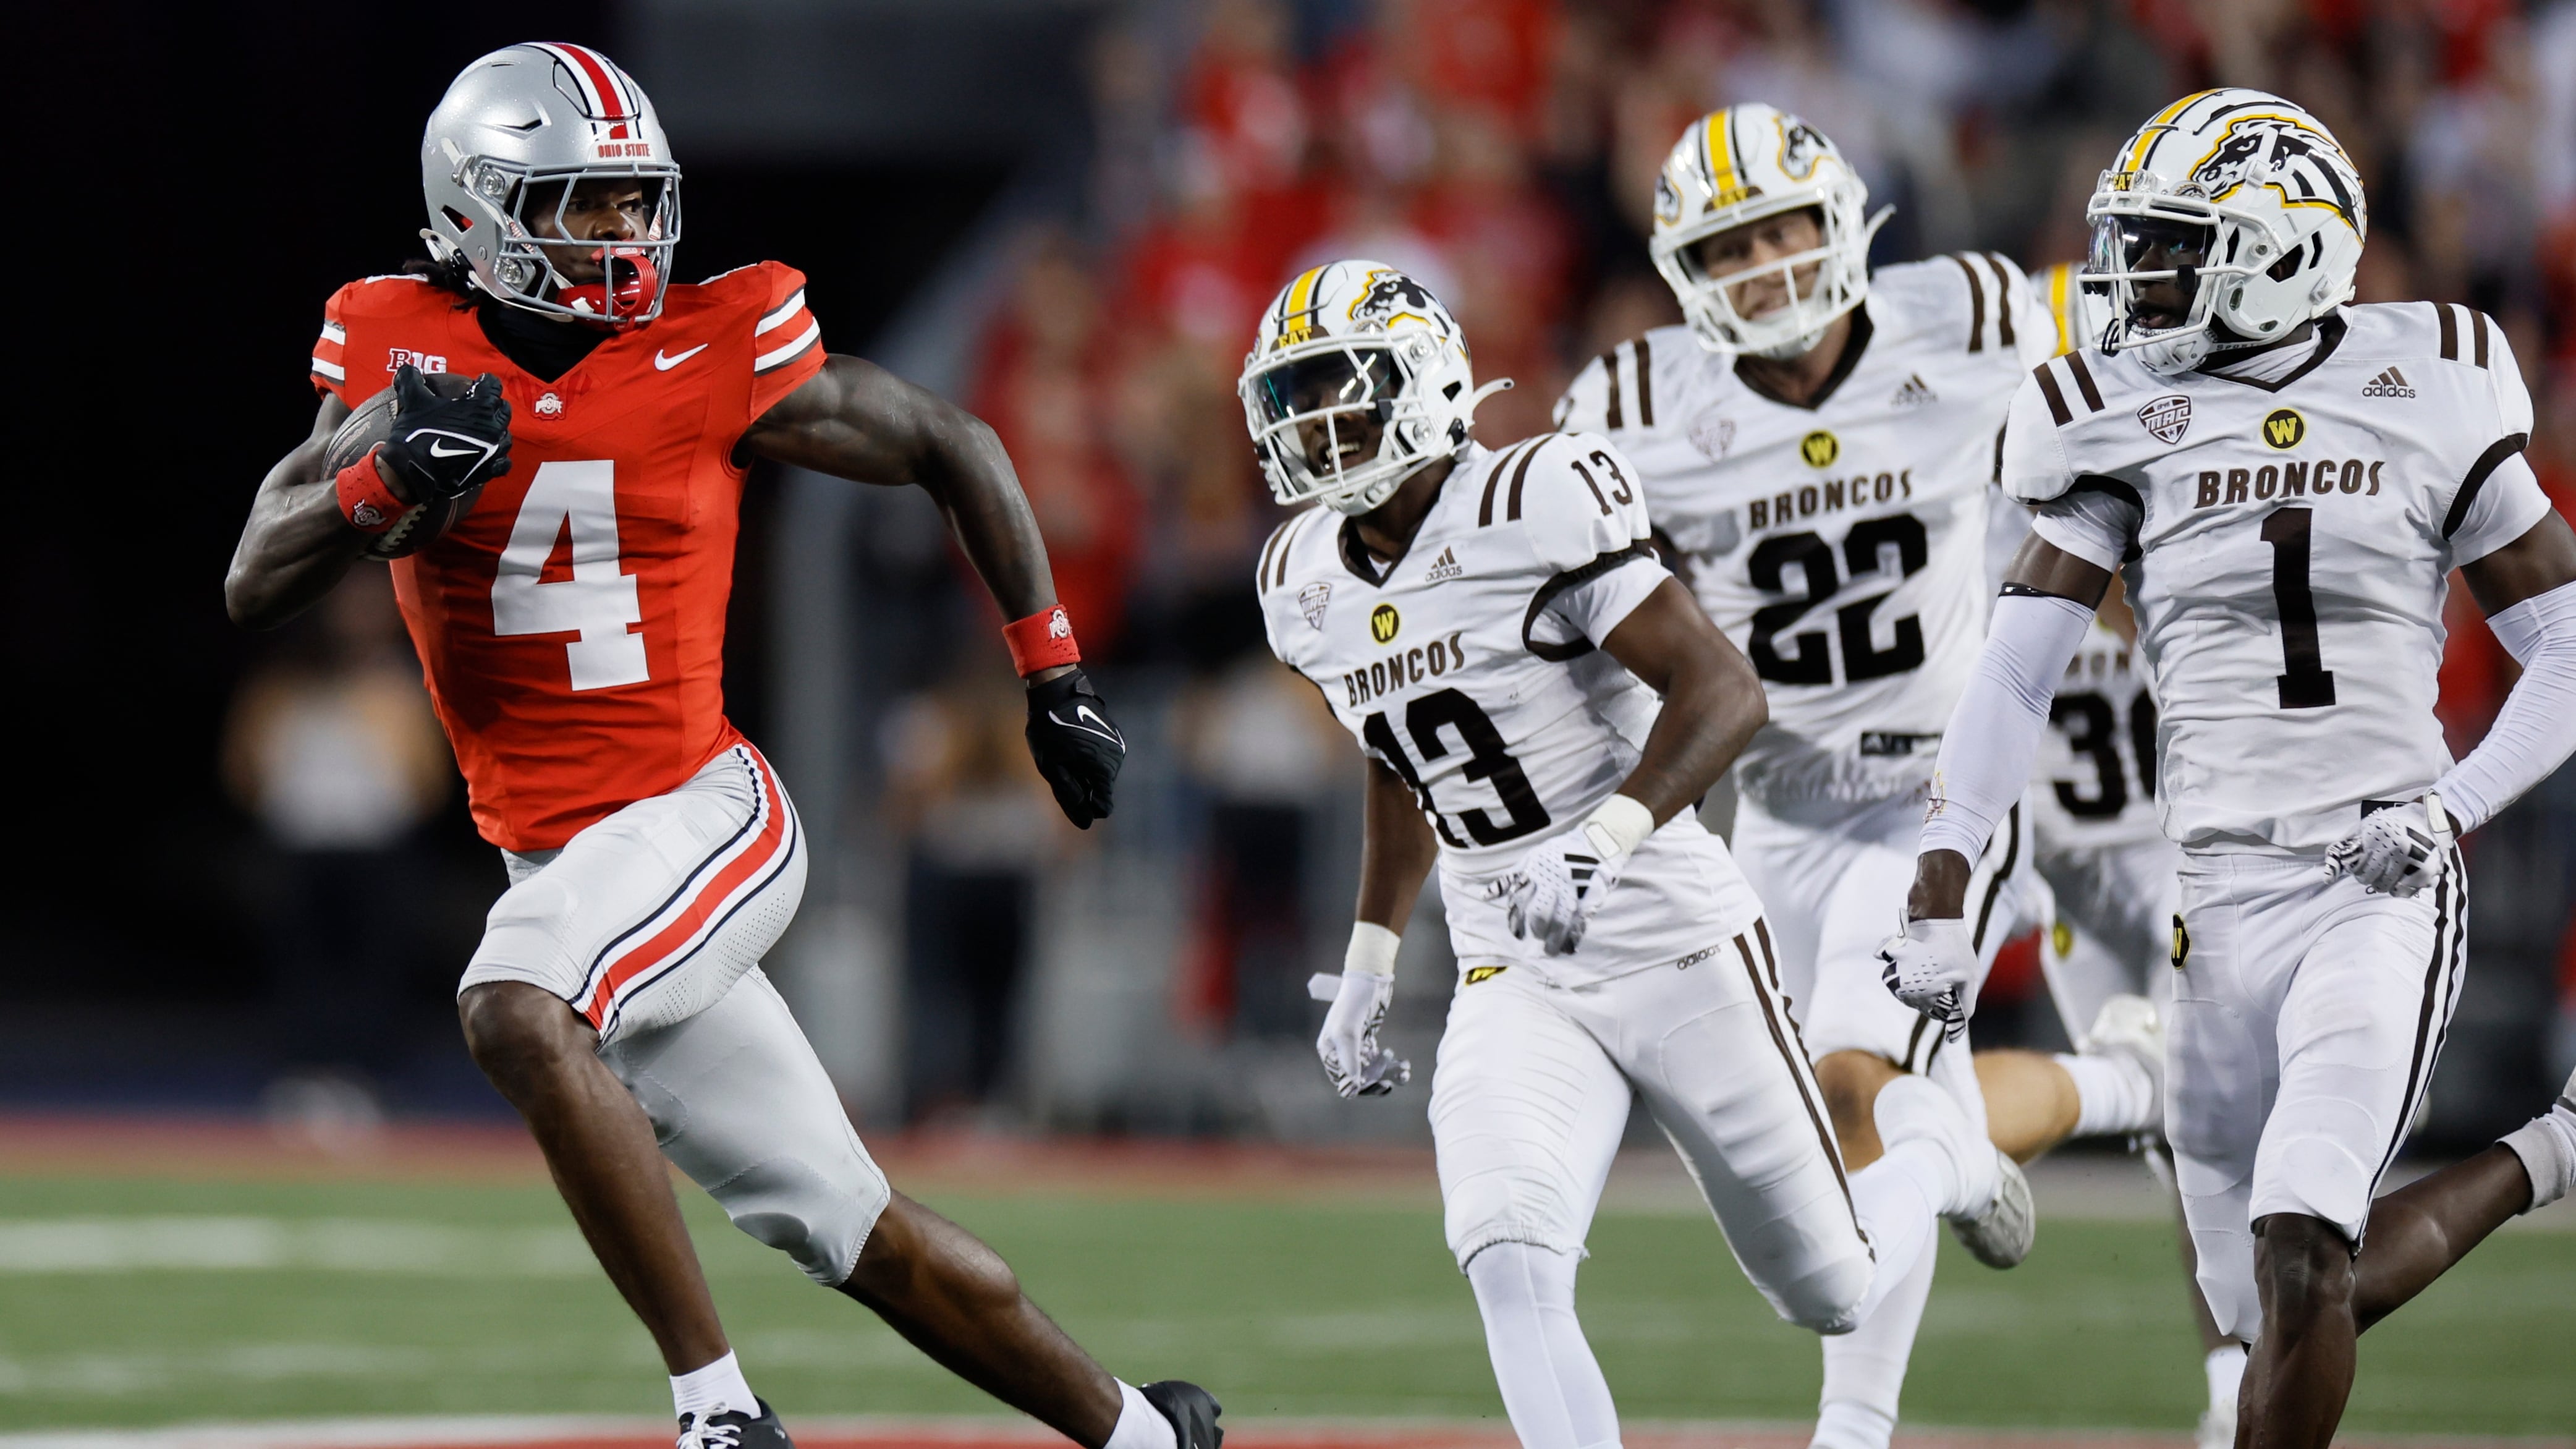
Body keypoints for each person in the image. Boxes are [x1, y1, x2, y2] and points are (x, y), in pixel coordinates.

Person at [224, 42, 1214, 1449]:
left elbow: (952, 440)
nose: (622, 233)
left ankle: (719, 1413)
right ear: (472, 210)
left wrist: (1051, 673)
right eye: (580, 203)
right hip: (562, 863)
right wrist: (379, 481)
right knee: (852, 1225)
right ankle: (1142, 1434)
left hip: (701, 812)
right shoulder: (404, 350)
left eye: (635, 200)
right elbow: (254, 576)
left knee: (515, 1003)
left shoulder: (713, 345)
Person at [1881, 89, 2576, 1446]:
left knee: (2305, 1252)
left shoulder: (2429, 378)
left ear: (2283, 248)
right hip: (2207, 889)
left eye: (2171, 243)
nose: (2133, 274)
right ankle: (2554, 1147)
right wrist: (1939, 883)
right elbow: (2014, 673)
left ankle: (2543, 1153)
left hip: (2374, 876)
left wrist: (2447, 808)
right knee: (2260, 1304)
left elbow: (2564, 644)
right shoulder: (2109, 411)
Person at [1244, 259, 2016, 1449]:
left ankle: (1938, 1152)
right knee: (1507, 1248)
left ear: (1422, 380)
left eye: (1340, 391)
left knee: (1831, 1287)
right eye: (1293, 400)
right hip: (1511, 955)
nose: (1314, 426)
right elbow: (1399, 758)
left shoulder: (1535, 496)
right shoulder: (1299, 577)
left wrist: (1605, 840)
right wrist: (1370, 958)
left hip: (1665, 926)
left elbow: (1724, 689)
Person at [1553, 106, 2162, 1449]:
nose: (1763, 266)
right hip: (1775, 816)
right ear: (1682, 273)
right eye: (1728, 248)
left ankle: (1851, 1432)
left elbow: (2153, 320)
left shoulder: (1973, 315)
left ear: (1841, 223)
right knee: (1822, 1146)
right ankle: (2116, 1086)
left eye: (1781, 231)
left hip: (1943, 794)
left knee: (1848, 1089)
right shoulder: (1634, 406)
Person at [2030, 260, 2245, 1449]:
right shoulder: (1985, 516)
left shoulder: (2197, 488)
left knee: (2194, 1122)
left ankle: (2236, 1385)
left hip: (2180, 856)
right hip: (2064, 871)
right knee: (2167, 1136)